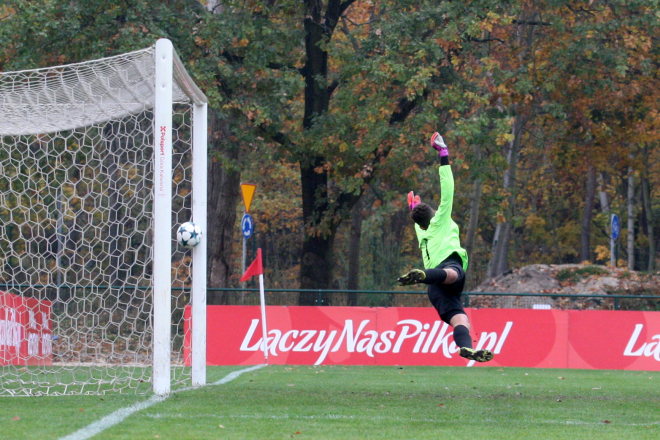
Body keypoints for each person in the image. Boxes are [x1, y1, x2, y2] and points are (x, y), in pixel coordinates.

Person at [398, 133, 493, 363]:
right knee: (452, 274)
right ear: (433, 213)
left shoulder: (422, 232)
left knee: (461, 320)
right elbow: (447, 187)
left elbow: (418, 219)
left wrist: (413, 206)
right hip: (447, 266)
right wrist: (443, 154)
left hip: (434, 288)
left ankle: (465, 348)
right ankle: (424, 276)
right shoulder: (440, 219)